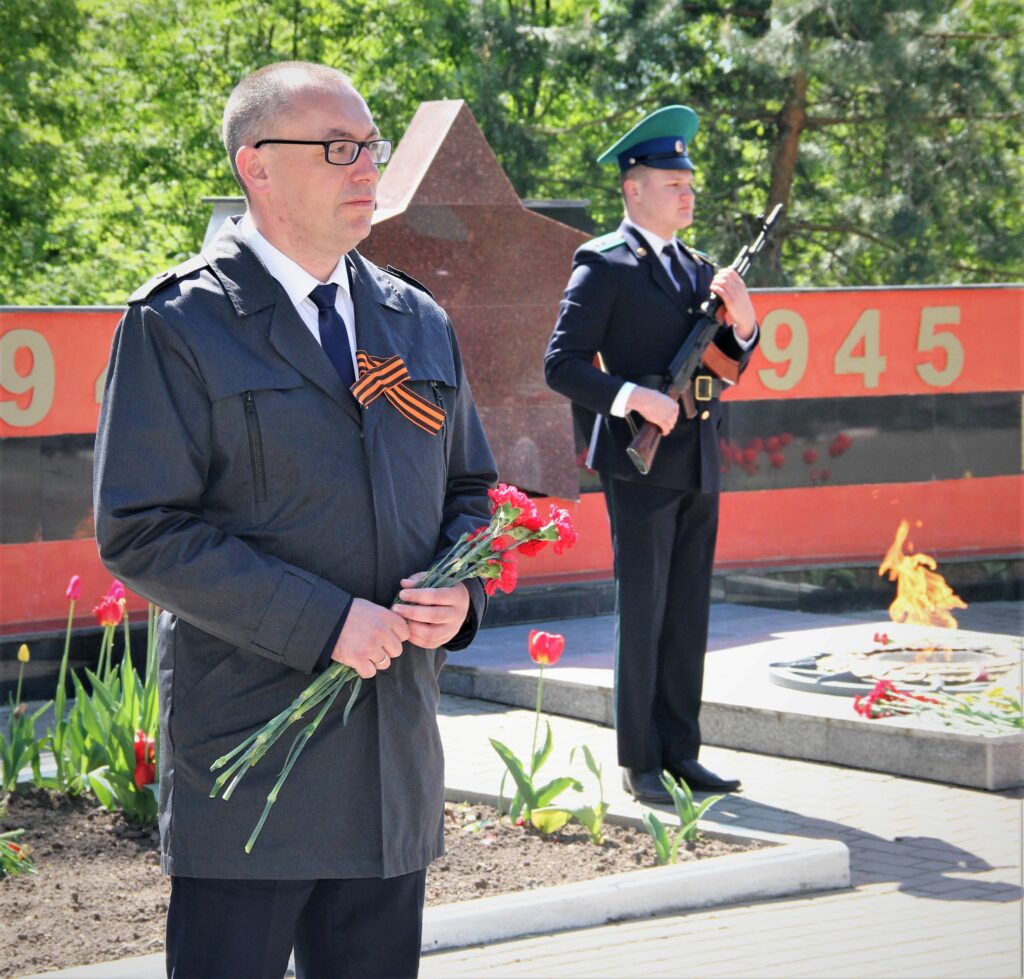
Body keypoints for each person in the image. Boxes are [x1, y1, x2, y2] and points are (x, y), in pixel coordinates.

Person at [93, 61, 497, 979]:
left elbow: (472, 489)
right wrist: (324, 622)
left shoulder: (415, 321)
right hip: (254, 772)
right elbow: (142, 528)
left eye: (372, 149)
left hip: (389, 759)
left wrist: (460, 590)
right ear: (256, 167)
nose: (367, 171)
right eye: (338, 149)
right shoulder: (180, 323)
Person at [544, 105, 758, 805]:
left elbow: (715, 371)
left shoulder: (700, 272)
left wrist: (745, 324)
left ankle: (681, 751)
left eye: (689, 181)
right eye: (672, 181)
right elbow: (562, 364)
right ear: (633, 189)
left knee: (688, 611)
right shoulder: (603, 266)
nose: (687, 191)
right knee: (643, 609)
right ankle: (640, 758)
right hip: (638, 465)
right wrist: (633, 396)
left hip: (697, 461)